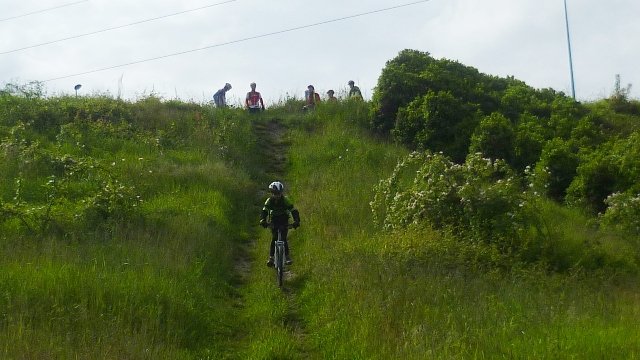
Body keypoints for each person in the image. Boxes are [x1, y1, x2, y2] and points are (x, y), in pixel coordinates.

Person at [260, 181, 300, 267]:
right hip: (274, 220)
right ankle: (271, 258)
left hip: (284, 220)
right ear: (271, 193)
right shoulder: (269, 201)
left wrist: (296, 220)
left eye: (278, 193)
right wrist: (263, 220)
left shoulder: (285, 200)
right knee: (274, 238)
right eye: (274, 193)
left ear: (281, 193)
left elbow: (293, 210)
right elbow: (265, 211)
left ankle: (287, 256)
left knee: (283, 238)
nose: (276, 195)